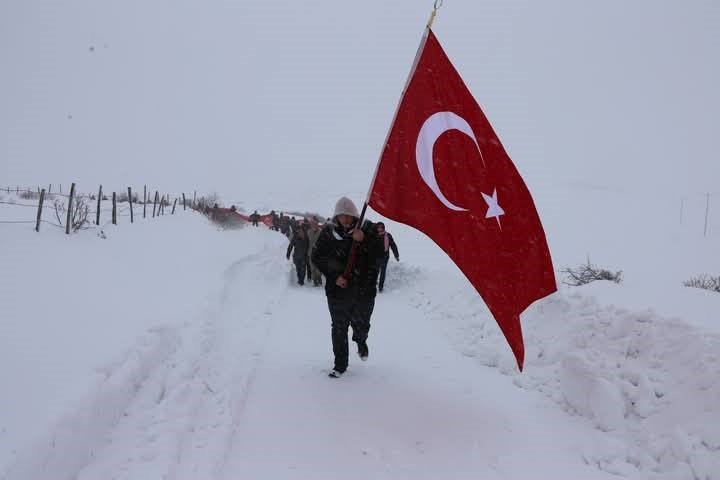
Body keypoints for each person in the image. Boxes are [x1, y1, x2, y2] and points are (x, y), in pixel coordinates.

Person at [311, 197, 384, 378]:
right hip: (338, 291)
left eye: (349, 216)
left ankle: (360, 340)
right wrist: (335, 276)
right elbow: (317, 256)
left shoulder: (367, 229)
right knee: (339, 327)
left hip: (363, 290)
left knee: (361, 324)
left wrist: (364, 240)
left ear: (354, 216)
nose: (345, 219)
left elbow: (379, 255)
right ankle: (340, 364)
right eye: (341, 216)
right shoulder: (328, 233)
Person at [375, 222, 399, 292]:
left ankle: (380, 287)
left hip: (384, 257)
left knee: (383, 272)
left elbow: (393, 245)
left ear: (383, 228)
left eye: (381, 227)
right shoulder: (374, 235)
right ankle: (374, 283)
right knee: (375, 271)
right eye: (378, 227)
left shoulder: (388, 235)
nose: (379, 229)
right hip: (376, 257)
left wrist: (396, 255)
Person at [306, 217, 323, 286]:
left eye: (315, 223)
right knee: (312, 268)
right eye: (312, 223)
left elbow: (324, 242)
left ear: (317, 223)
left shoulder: (321, 232)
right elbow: (307, 242)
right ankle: (315, 280)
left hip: (319, 253)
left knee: (319, 268)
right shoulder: (308, 231)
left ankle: (319, 277)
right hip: (310, 253)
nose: (313, 224)